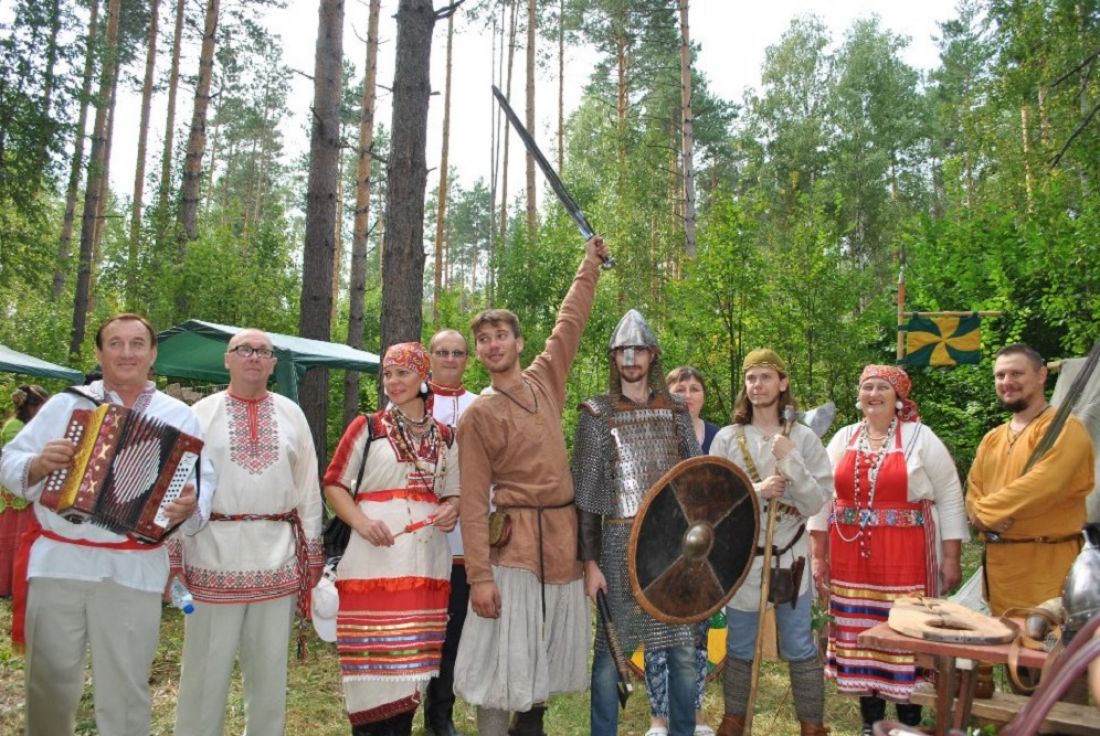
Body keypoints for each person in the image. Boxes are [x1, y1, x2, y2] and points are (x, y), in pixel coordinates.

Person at [0, 313, 213, 736]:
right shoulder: (67, 405)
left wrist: (189, 506)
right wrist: (39, 464)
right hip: (59, 561)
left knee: (127, 687)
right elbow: (9, 462)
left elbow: (201, 488)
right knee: (48, 685)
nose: (126, 352)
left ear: (153, 354)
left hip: (133, 569)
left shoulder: (179, 416)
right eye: (115, 343)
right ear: (100, 353)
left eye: (137, 344)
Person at [453, 236, 611, 736]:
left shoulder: (545, 380)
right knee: (501, 663)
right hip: (515, 550)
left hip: (561, 543)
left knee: (540, 659)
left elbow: (570, 323)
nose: (493, 344)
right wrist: (480, 577)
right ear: (478, 352)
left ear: (518, 343)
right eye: (484, 339)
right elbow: (474, 504)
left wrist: (590, 265)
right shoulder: (477, 415)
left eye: (501, 335)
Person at [174, 329, 323, 736]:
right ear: (227, 359)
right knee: (205, 670)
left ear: (274, 363)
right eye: (244, 350)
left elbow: (309, 486)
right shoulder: (199, 414)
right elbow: (176, 487)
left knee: (269, 672)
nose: (254, 357)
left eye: (263, 351)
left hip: (277, 559)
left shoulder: (292, 414)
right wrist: (173, 556)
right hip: (210, 556)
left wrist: (312, 553)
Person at [808, 364, 966, 735]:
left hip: (906, 559)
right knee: (862, 635)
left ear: (898, 398)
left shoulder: (920, 437)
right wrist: (818, 554)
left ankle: (908, 722)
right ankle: (871, 722)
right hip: (851, 562)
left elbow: (950, 496)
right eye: (867, 388)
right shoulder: (844, 437)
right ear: (859, 396)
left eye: (882, 388)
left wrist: (953, 557)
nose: (873, 394)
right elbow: (821, 497)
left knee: (904, 634)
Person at [573, 310, 701, 736]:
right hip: (617, 542)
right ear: (613, 358)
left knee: (682, 651)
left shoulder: (677, 411)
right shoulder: (596, 414)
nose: (630, 358)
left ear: (652, 356)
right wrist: (590, 564)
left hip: (671, 547)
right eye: (622, 351)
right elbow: (587, 499)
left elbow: (696, 486)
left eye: (638, 349)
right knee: (611, 651)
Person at [323, 341, 460, 735]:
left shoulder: (446, 437)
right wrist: (362, 523)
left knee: (411, 661)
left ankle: (402, 725)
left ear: (423, 377)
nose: (394, 381)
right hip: (373, 562)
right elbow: (334, 485)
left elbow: (454, 490)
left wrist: (450, 507)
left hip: (426, 565)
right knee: (374, 657)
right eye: (388, 373)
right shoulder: (367, 427)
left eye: (403, 372)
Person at [709, 349, 832, 736]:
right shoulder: (729, 439)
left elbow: (816, 501)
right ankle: (734, 718)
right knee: (741, 643)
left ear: (782, 383)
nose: (757, 385)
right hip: (745, 559)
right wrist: (757, 488)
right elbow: (715, 501)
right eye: (751, 379)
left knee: (798, 644)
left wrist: (791, 460)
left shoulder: (804, 439)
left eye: (765, 377)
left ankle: (812, 725)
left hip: (789, 556)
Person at [967, 343, 1094, 616]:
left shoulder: (1065, 428)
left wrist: (986, 513)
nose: (1007, 382)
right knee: (1008, 652)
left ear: (1041, 376)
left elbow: (1045, 484)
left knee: (1049, 653)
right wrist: (980, 515)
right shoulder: (992, 438)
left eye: (1016, 374)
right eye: (1000, 376)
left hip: (1047, 568)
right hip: (1001, 571)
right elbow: (974, 490)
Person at [644, 366, 720, 736]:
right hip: (661, 549)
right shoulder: (653, 435)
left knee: (698, 637)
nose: (687, 393)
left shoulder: (719, 438)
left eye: (694, 387)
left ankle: (695, 714)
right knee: (660, 634)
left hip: (705, 553)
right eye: (679, 387)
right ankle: (659, 718)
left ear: (703, 395)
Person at [424, 328, 478, 736]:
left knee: (453, 633)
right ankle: (402, 710)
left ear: (467, 359)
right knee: (418, 629)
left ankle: (440, 715)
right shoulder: (409, 401)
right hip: (419, 539)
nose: (449, 358)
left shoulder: (480, 406)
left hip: (464, 542)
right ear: (429, 356)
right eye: (442, 351)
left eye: (457, 352)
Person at [0, 384, 49, 596]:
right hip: (14, 494)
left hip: (23, 492)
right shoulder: (15, 427)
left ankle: (16, 582)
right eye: (42, 407)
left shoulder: (25, 424)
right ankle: (7, 584)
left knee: (22, 539)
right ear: (31, 406)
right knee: (13, 539)